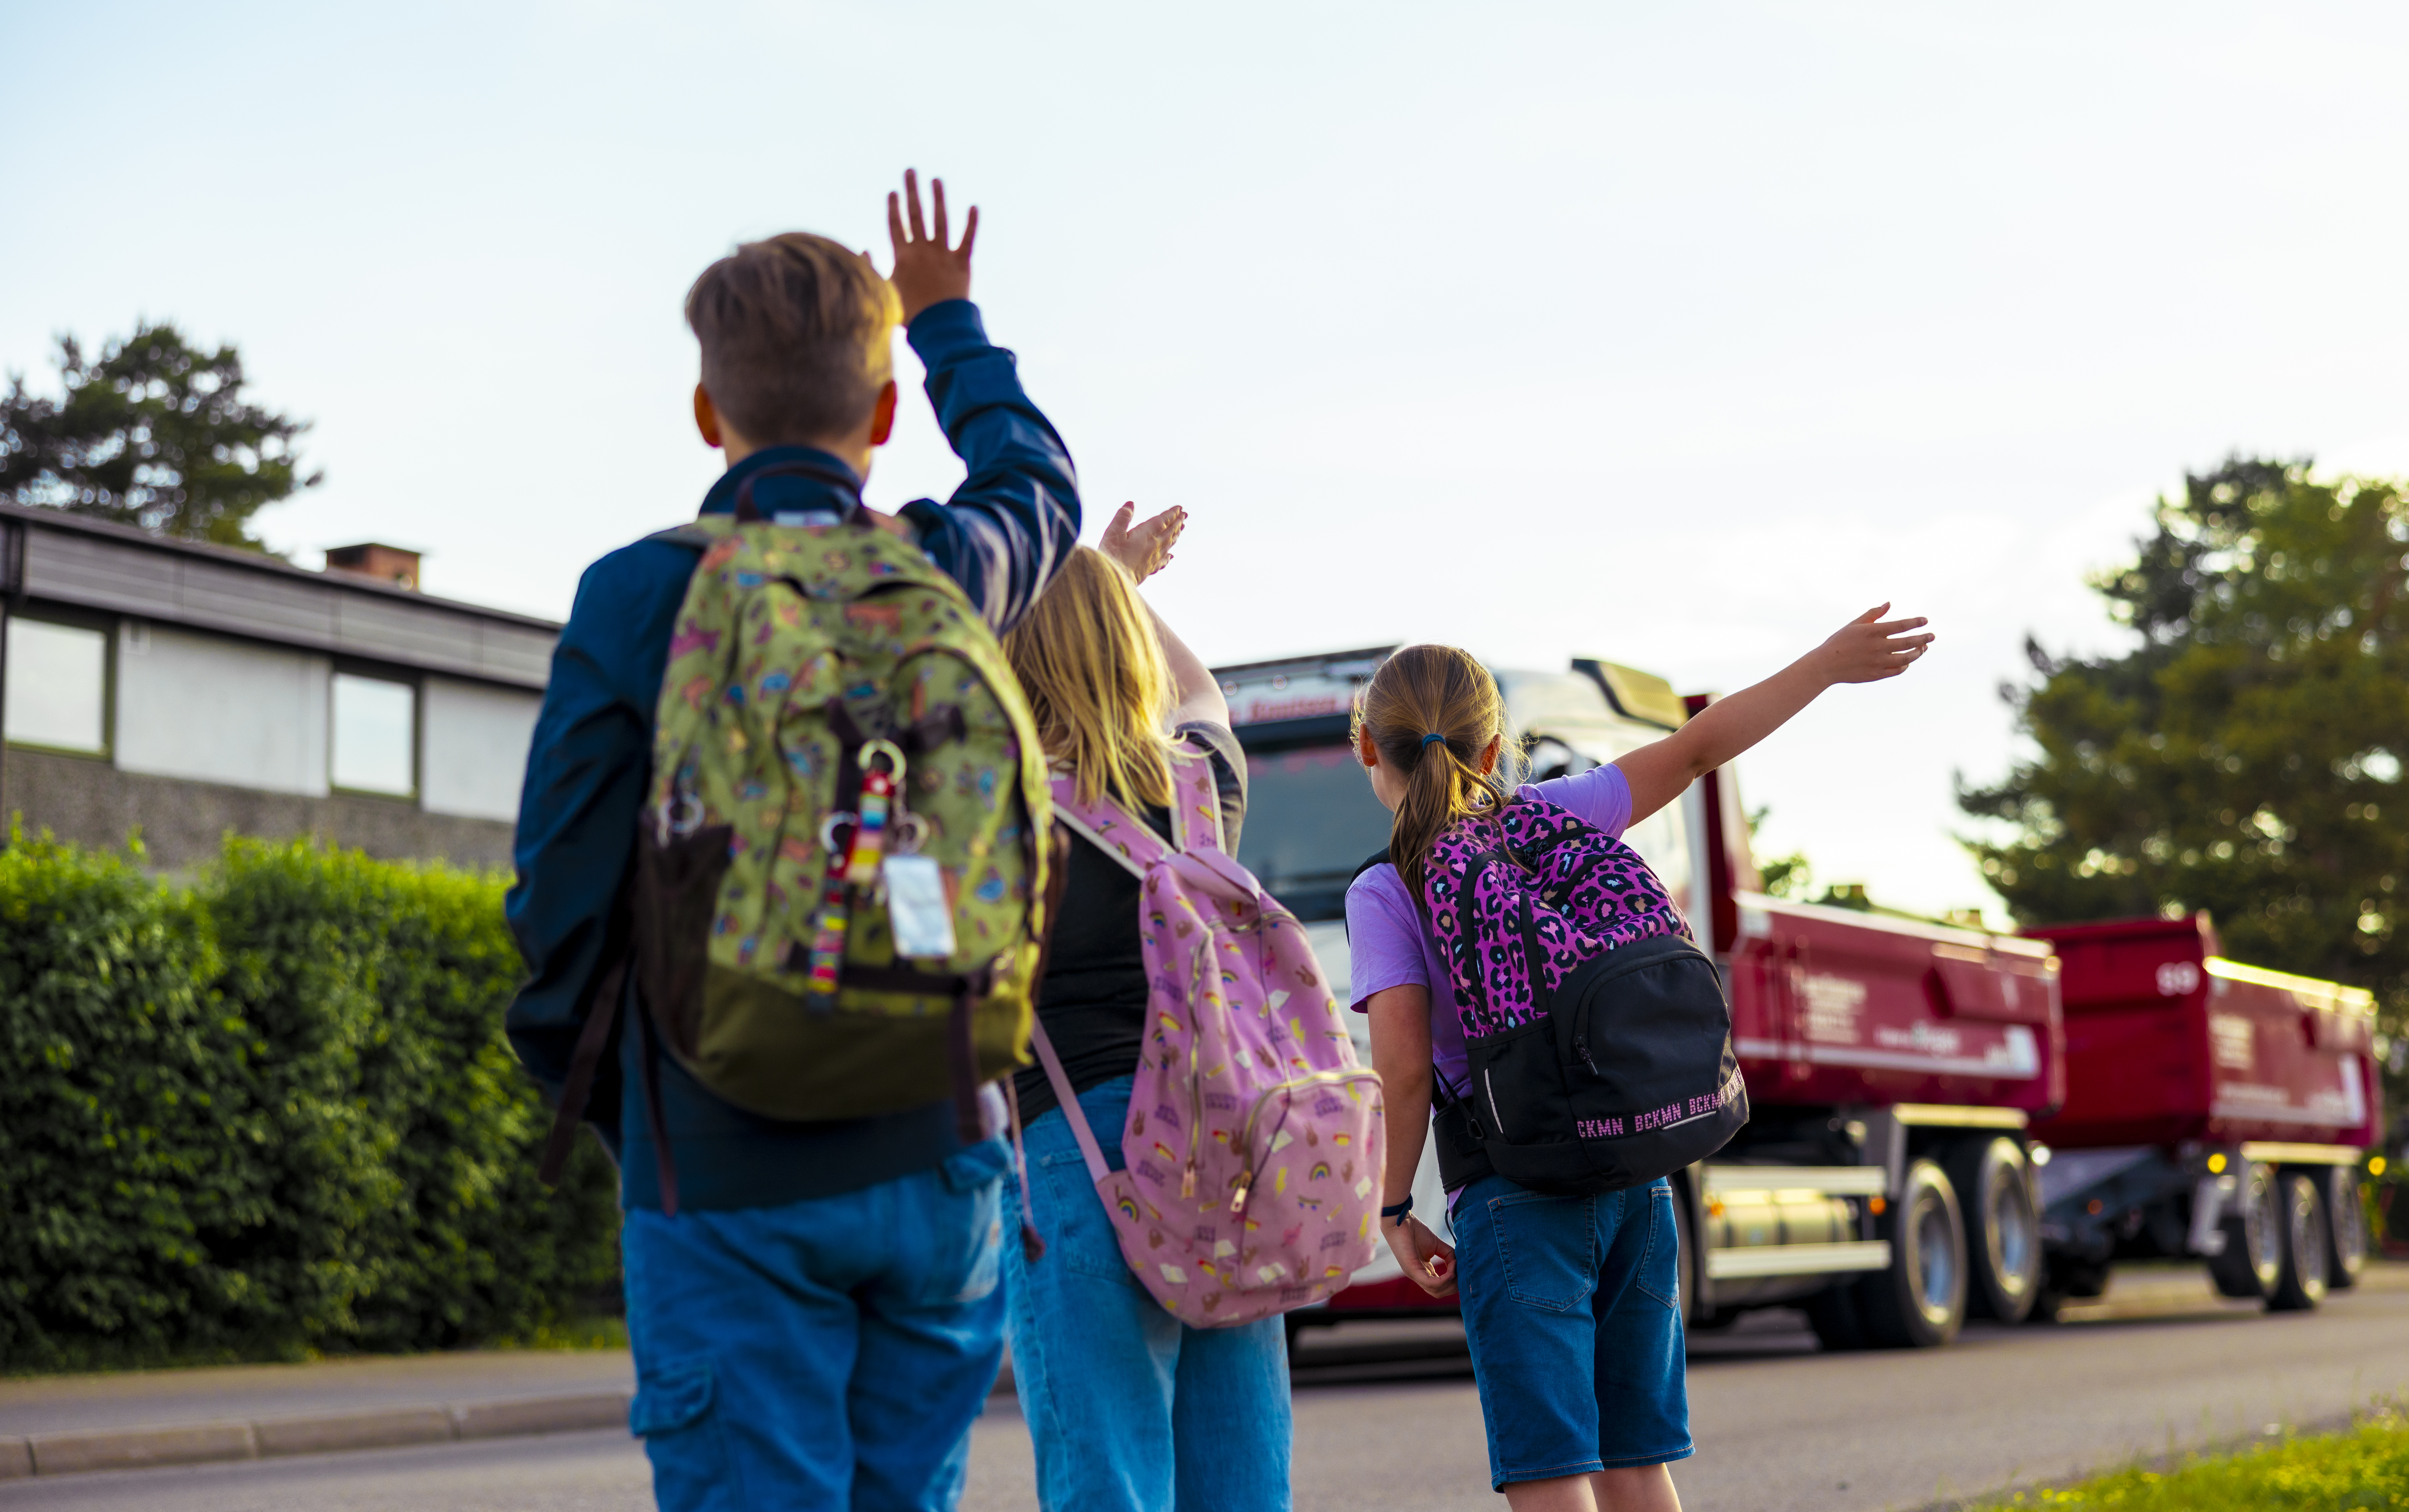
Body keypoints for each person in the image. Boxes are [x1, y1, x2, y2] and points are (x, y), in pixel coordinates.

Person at [504, 171, 1081, 1512]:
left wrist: (632, 1104)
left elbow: (562, 901)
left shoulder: (640, 594)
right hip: (943, 1145)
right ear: (883, 414)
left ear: (708, 414)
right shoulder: (943, 570)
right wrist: (946, 319)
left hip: (721, 1154)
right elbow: (1039, 482)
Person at [1347, 610, 1934, 1512]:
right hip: (1637, 1175)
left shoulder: (1388, 888)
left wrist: (1395, 1209)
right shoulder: (1553, 815)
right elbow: (1698, 750)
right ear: (1495, 746)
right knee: (1637, 1463)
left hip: (1514, 1193)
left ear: (1366, 749)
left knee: (1551, 1472)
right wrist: (1824, 664)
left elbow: (1406, 1074)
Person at [994, 521, 1295, 1512]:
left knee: (1108, 1478)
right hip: (1222, 1146)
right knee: (1241, 1479)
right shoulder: (1201, 785)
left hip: (1073, 1152)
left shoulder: (1002, 812)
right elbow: (1202, 692)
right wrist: (1121, 586)